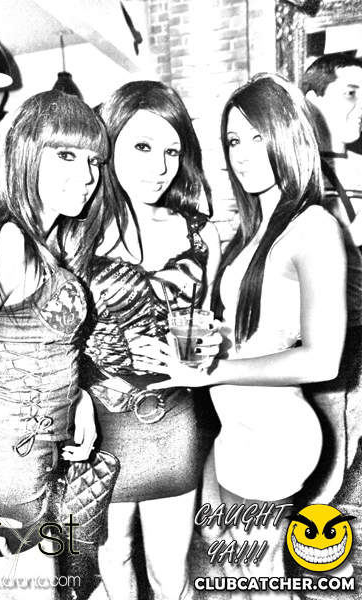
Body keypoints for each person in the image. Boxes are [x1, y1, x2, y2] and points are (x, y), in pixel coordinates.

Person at [137, 74, 347, 593]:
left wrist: (211, 372)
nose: (244, 154)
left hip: (274, 438)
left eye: (258, 136)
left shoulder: (314, 227)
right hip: (236, 432)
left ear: (288, 134)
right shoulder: (255, 229)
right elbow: (257, 329)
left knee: (257, 580)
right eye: (234, 141)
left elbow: (322, 359)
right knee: (228, 569)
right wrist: (212, 340)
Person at [62, 80, 221, 600]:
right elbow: (53, 338)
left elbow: (206, 325)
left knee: (169, 573)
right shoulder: (71, 233)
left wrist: (208, 348)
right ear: (109, 145)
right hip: (98, 426)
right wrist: (76, 396)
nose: (161, 166)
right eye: (143, 147)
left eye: (172, 151)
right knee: (113, 560)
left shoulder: (200, 234)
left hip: (173, 420)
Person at [0, 90, 110, 599]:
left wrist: (79, 397)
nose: (86, 175)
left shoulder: (46, 246)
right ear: (26, 153)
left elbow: (37, 345)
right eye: (66, 155)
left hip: (34, 463)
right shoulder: (7, 241)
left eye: (93, 161)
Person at [301, 53, 362, 503]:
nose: (361, 107)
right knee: (324, 448)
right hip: (322, 334)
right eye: (350, 93)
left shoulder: (354, 167)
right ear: (313, 100)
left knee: (350, 438)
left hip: (357, 325)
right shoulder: (297, 172)